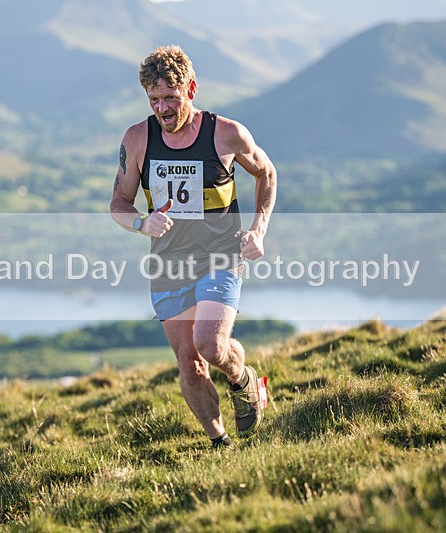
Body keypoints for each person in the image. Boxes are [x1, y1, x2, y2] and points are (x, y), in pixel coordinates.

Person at [110, 45, 277, 448]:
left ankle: (243, 378)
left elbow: (266, 173)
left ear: (192, 89)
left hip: (221, 256)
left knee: (209, 343)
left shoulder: (226, 134)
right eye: (154, 100)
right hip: (168, 265)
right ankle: (221, 444)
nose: (163, 109)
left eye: (170, 97)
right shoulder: (137, 139)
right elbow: (118, 204)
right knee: (190, 363)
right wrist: (141, 222)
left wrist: (258, 229)